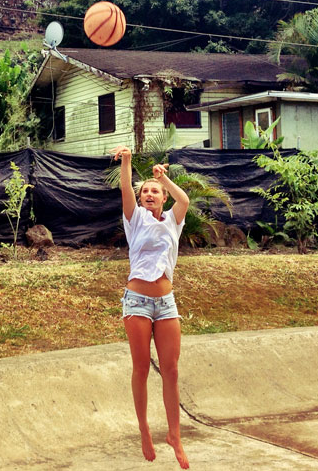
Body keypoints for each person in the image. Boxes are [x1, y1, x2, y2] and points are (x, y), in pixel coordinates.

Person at [112, 145, 190, 469]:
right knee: (142, 368)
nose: (149, 194)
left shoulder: (173, 220)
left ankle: (175, 435)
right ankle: (144, 428)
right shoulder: (135, 219)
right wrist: (127, 161)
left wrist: (164, 179)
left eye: (154, 191)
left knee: (171, 371)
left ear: (162, 197)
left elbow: (184, 200)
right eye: (146, 191)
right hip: (138, 302)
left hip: (166, 301)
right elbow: (126, 188)